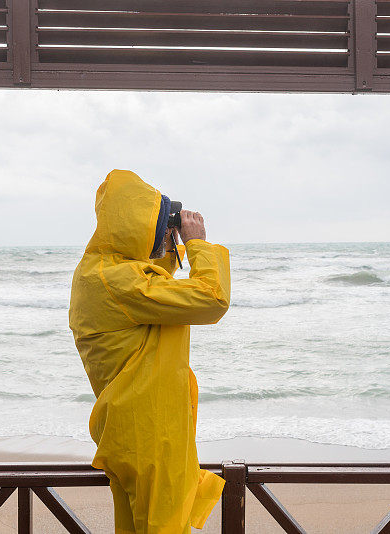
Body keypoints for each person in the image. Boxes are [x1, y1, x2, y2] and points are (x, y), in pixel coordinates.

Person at [69, 169, 231, 533]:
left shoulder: (98, 273)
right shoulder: (121, 281)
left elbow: (151, 283)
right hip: (151, 436)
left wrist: (169, 245)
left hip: (129, 432)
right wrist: (198, 245)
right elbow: (211, 299)